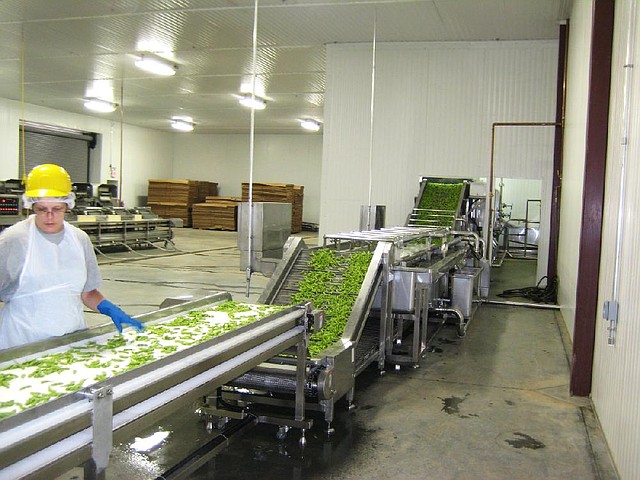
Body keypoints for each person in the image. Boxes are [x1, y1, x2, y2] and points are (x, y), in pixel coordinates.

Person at [0, 163, 143, 349]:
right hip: (23, 343)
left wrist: (110, 309)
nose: (49, 216)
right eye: (42, 209)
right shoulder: (14, 239)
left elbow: (88, 292)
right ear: (31, 206)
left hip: (72, 339)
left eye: (57, 209)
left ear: (68, 205)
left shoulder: (79, 239)